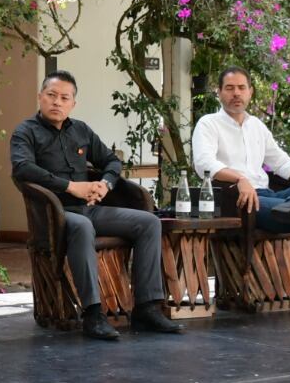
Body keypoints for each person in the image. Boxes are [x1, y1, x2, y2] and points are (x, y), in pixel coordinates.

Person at [10, 70, 176, 341]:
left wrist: (105, 185)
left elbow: (111, 161)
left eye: (65, 97)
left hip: (90, 208)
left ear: (73, 103)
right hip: (55, 214)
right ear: (40, 97)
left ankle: (146, 308)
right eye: (51, 95)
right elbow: (23, 168)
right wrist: (70, 186)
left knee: (149, 222)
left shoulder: (82, 130)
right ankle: (93, 313)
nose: (57, 102)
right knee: (83, 226)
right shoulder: (25, 132)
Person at [192, 67, 290, 324]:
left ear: (250, 92)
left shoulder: (256, 126)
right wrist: (240, 179)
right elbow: (203, 163)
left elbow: (284, 165)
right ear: (219, 93)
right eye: (230, 88)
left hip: (269, 198)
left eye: (242, 88)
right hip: (237, 199)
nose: (236, 94)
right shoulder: (209, 124)